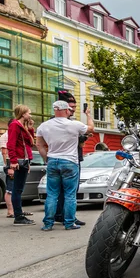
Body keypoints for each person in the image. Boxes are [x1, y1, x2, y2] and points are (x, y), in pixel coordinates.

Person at [36, 100, 94, 230]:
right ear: (66, 110)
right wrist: (88, 115)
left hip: (52, 160)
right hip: (70, 161)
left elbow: (39, 144)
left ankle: (48, 224)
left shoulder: (43, 126)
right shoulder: (74, 125)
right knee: (70, 194)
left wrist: (47, 158)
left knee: (52, 194)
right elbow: (91, 128)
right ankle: (69, 223)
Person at [53, 91, 88, 226]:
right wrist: (88, 116)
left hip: (59, 159)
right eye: (71, 107)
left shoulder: (54, 122)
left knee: (60, 191)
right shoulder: (68, 124)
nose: (72, 110)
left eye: (74, 107)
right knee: (70, 191)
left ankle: (58, 215)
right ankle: (68, 217)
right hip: (70, 159)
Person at [7, 105, 36, 225]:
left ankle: (19, 214)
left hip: (24, 160)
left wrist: (30, 128)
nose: (30, 115)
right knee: (17, 189)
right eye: (29, 113)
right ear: (23, 114)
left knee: (18, 189)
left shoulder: (22, 126)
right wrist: (13, 161)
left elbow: (30, 143)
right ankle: (18, 216)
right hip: (19, 160)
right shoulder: (15, 125)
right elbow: (11, 144)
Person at [0, 118, 15, 218]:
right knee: (10, 189)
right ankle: (10, 211)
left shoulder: (12, 135)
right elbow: (5, 153)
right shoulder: (5, 136)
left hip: (14, 164)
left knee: (15, 189)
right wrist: (9, 167)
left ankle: (16, 209)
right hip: (10, 165)